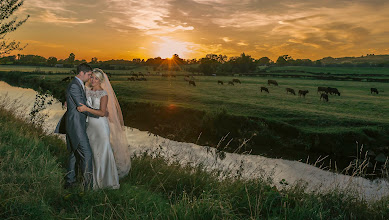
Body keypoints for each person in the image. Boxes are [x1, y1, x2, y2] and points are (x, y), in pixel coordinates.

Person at [77, 68, 131, 189]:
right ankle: (92, 180)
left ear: (101, 80)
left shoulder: (104, 94)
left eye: (96, 78)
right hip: (89, 126)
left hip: (100, 126)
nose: (93, 80)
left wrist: (86, 109)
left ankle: (105, 182)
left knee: (102, 151)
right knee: (91, 152)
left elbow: (102, 113)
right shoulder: (87, 90)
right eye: (92, 77)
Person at [61, 63, 98, 190]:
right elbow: (81, 107)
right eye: (88, 75)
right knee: (87, 154)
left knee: (74, 153)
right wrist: (99, 114)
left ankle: (69, 181)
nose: (89, 77)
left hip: (75, 123)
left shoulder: (77, 84)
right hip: (76, 125)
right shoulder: (75, 86)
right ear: (81, 73)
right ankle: (87, 187)